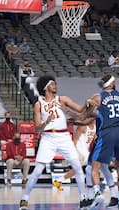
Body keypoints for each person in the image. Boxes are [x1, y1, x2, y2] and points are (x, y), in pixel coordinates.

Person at [19, 75, 90, 210]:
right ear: (46, 87)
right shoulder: (39, 104)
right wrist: (47, 121)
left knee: (77, 166)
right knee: (38, 171)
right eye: (52, 84)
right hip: (48, 138)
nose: (55, 85)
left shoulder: (62, 99)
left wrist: (88, 104)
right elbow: (37, 128)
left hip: (64, 136)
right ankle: (24, 199)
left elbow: (80, 111)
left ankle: (83, 198)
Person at [87, 75, 119, 209]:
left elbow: (87, 115)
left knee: (95, 166)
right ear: (112, 83)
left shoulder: (97, 97)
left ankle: (98, 193)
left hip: (107, 133)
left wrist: (89, 103)